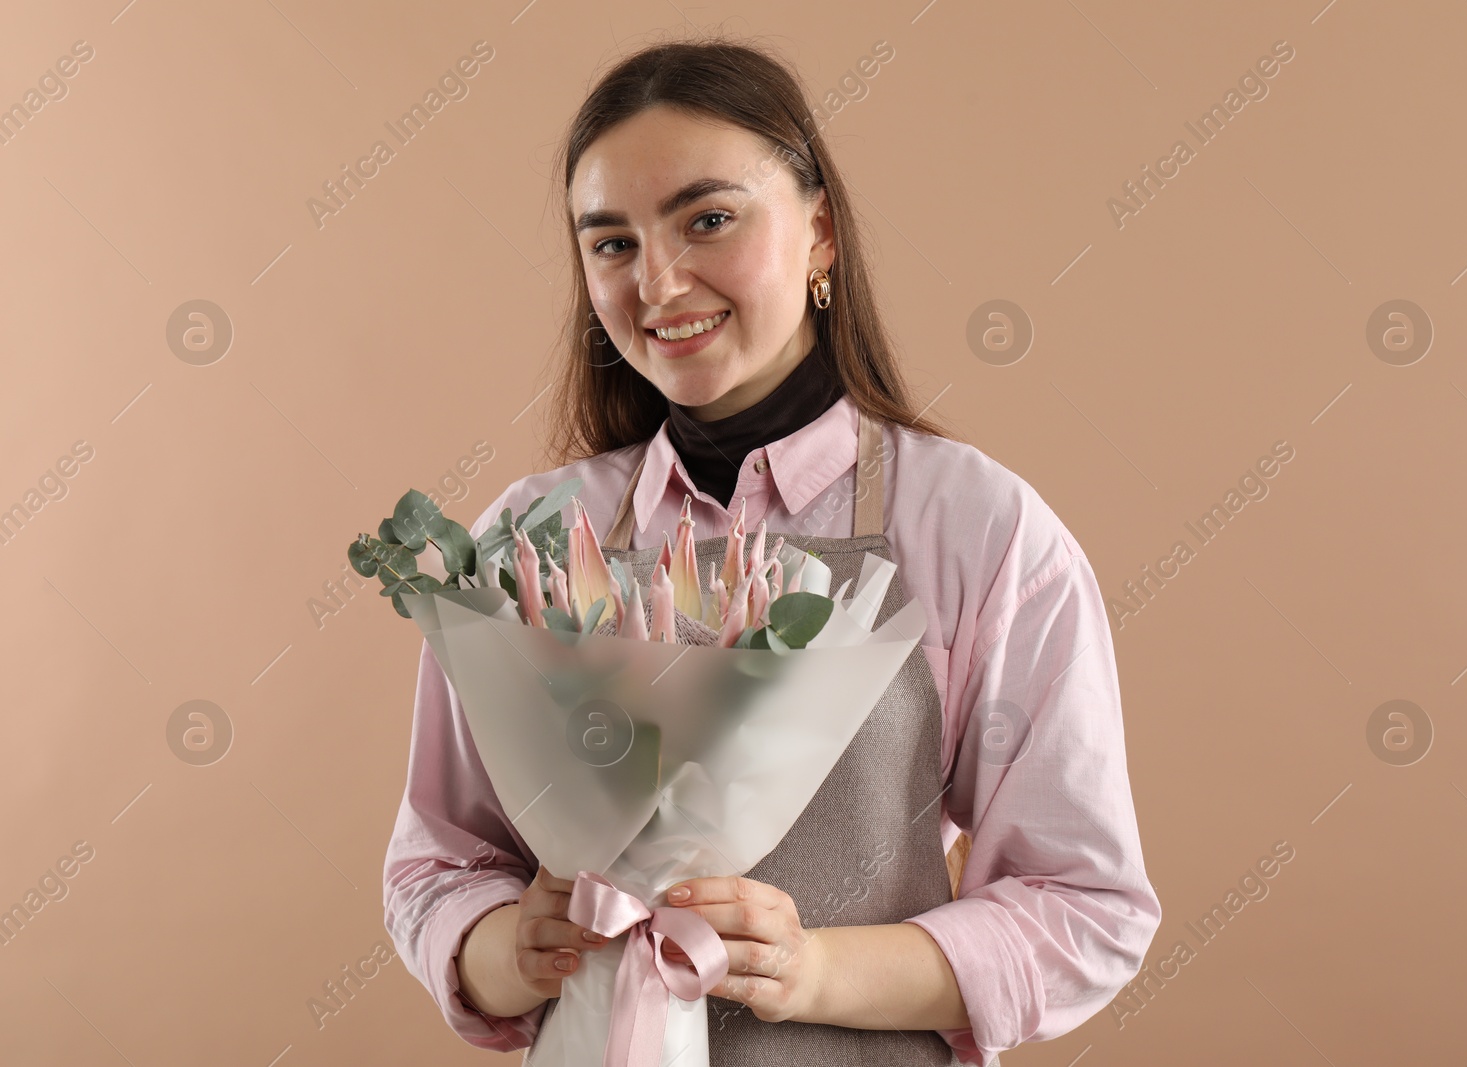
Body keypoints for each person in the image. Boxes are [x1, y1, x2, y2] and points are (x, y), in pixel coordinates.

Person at [381, 35, 1160, 1067]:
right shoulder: (523, 539)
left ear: (820, 232)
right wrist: (508, 949)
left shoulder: (979, 529)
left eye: (708, 219)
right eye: (610, 242)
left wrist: (813, 968)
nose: (657, 282)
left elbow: (1085, 905)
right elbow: (437, 862)